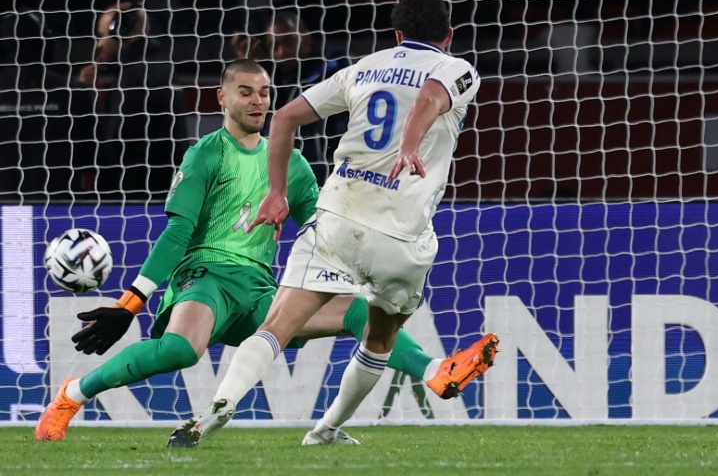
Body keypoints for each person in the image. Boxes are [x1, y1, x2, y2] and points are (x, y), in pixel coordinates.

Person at [34, 59, 495, 444]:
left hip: (260, 289)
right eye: (246, 91)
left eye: (265, 92)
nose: (258, 101)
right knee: (180, 349)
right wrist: (130, 304)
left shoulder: (290, 162)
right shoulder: (206, 154)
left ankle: (436, 370)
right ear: (222, 98)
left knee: (361, 312)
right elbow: (177, 234)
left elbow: (318, 223)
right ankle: (72, 394)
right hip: (207, 276)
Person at [186, 0, 495, 447]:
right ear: (448, 36)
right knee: (379, 339)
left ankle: (217, 409)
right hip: (402, 238)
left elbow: (285, 118)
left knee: (276, 327)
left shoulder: (364, 67)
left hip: (338, 220)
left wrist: (276, 193)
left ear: (397, 33)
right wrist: (409, 145)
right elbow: (430, 97)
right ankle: (325, 430)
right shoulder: (456, 69)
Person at [78, 2, 191, 202]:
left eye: (102, 35)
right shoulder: (159, 65)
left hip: (133, 198)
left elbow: (113, 144)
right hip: (163, 190)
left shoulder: (134, 76)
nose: (99, 44)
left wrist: (84, 96)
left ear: (120, 30)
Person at [231, 11, 349, 185]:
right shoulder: (268, 81)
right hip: (278, 181)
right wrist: (247, 67)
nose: (283, 51)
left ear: (307, 37)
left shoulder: (335, 70)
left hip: (327, 178)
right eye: (274, 45)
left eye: (289, 41)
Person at [0, 11, 96, 202]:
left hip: (5, 204)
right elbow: (94, 154)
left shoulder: (73, 90)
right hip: (60, 205)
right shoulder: (73, 90)